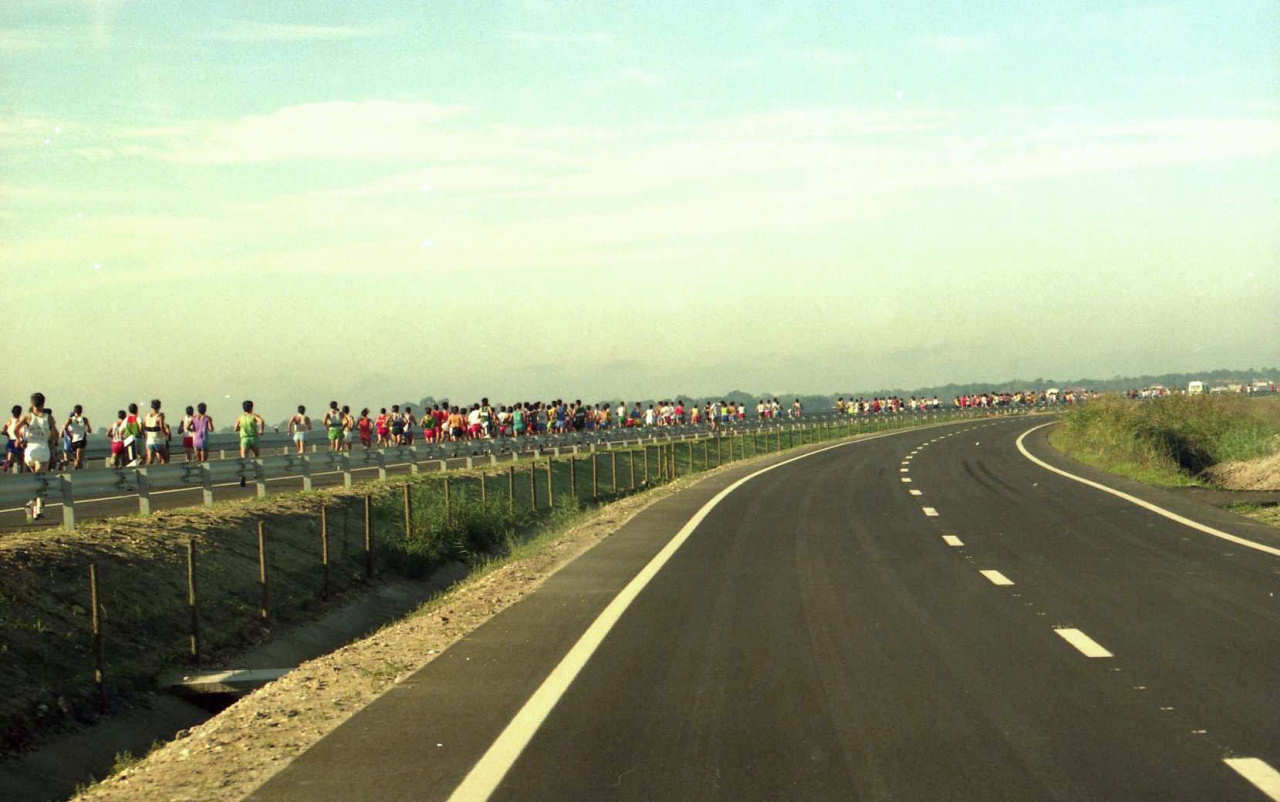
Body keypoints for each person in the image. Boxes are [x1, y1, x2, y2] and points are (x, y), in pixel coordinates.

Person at [19, 393, 57, 519]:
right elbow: (54, 434)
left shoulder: (27, 417)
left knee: (36, 480)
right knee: (42, 480)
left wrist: (20, 440)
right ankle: (34, 506)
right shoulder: (48, 417)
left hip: (29, 451)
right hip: (42, 449)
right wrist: (52, 444)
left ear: (31, 403)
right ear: (43, 403)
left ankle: (36, 508)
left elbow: (16, 430)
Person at [63, 405, 92, 470]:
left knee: (77, 459)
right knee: (78, 459)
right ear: (81, 411)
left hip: (74, 441)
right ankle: (77, 471)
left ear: (74, 411)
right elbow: (89, 430)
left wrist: (70, 434)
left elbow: (65, 427)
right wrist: (84, 429)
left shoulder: (70, 419)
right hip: (80, 440)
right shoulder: (84, 419)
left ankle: (77, 471)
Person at [143, 399, 169, 465]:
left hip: (150, 441)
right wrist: (166, 434)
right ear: (159, 406)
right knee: (165, 459)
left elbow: (144, 426)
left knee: (150, 460)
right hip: (159, 441)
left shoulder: (146, 416)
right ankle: (162, 470)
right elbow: (161, 426)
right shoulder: (160, 415)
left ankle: (147, 470)